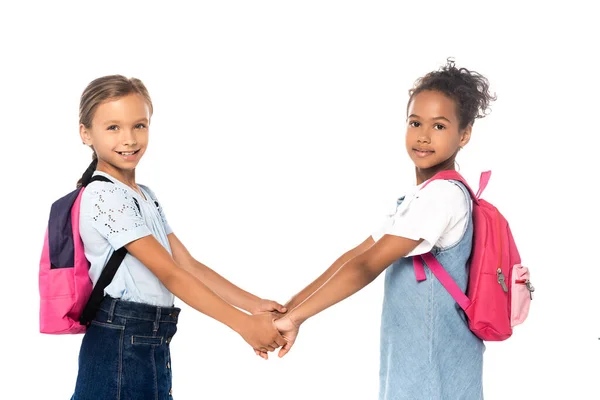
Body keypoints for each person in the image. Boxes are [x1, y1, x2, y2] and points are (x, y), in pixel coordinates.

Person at [274, 59, 497, 399]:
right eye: (414, 122)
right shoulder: (417, 198)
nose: (422, 135)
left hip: (434, 370)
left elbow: (366, 266)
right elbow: (357, 254)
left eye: (439, 126)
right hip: (413, 364)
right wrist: (292, 306)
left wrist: (296, 319)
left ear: (464, 134)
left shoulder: (441, 197)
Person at [71, 75, 286, 400]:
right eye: (113, 127)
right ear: (85, 132)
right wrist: (243, 326)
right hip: (119, 340)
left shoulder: (144, 195)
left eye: (139, 125)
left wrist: (253, 306)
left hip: (150, 339)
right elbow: (170, 274)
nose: (128, 138)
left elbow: (186, 264)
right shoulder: (103, 197)